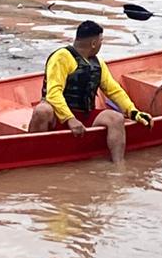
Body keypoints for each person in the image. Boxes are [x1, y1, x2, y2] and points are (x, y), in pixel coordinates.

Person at [29, 20, 153, 163]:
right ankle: (35, 157)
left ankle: (119, 166)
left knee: (116, 118)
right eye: (101, 41)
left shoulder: (98, 63)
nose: (101, 44)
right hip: (59, 116)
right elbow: (53, 93)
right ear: (94, 43)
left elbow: (114, 90)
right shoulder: (61, 57)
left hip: (85, 115)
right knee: (42, 110)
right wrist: (70, 119)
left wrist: (133, 111)